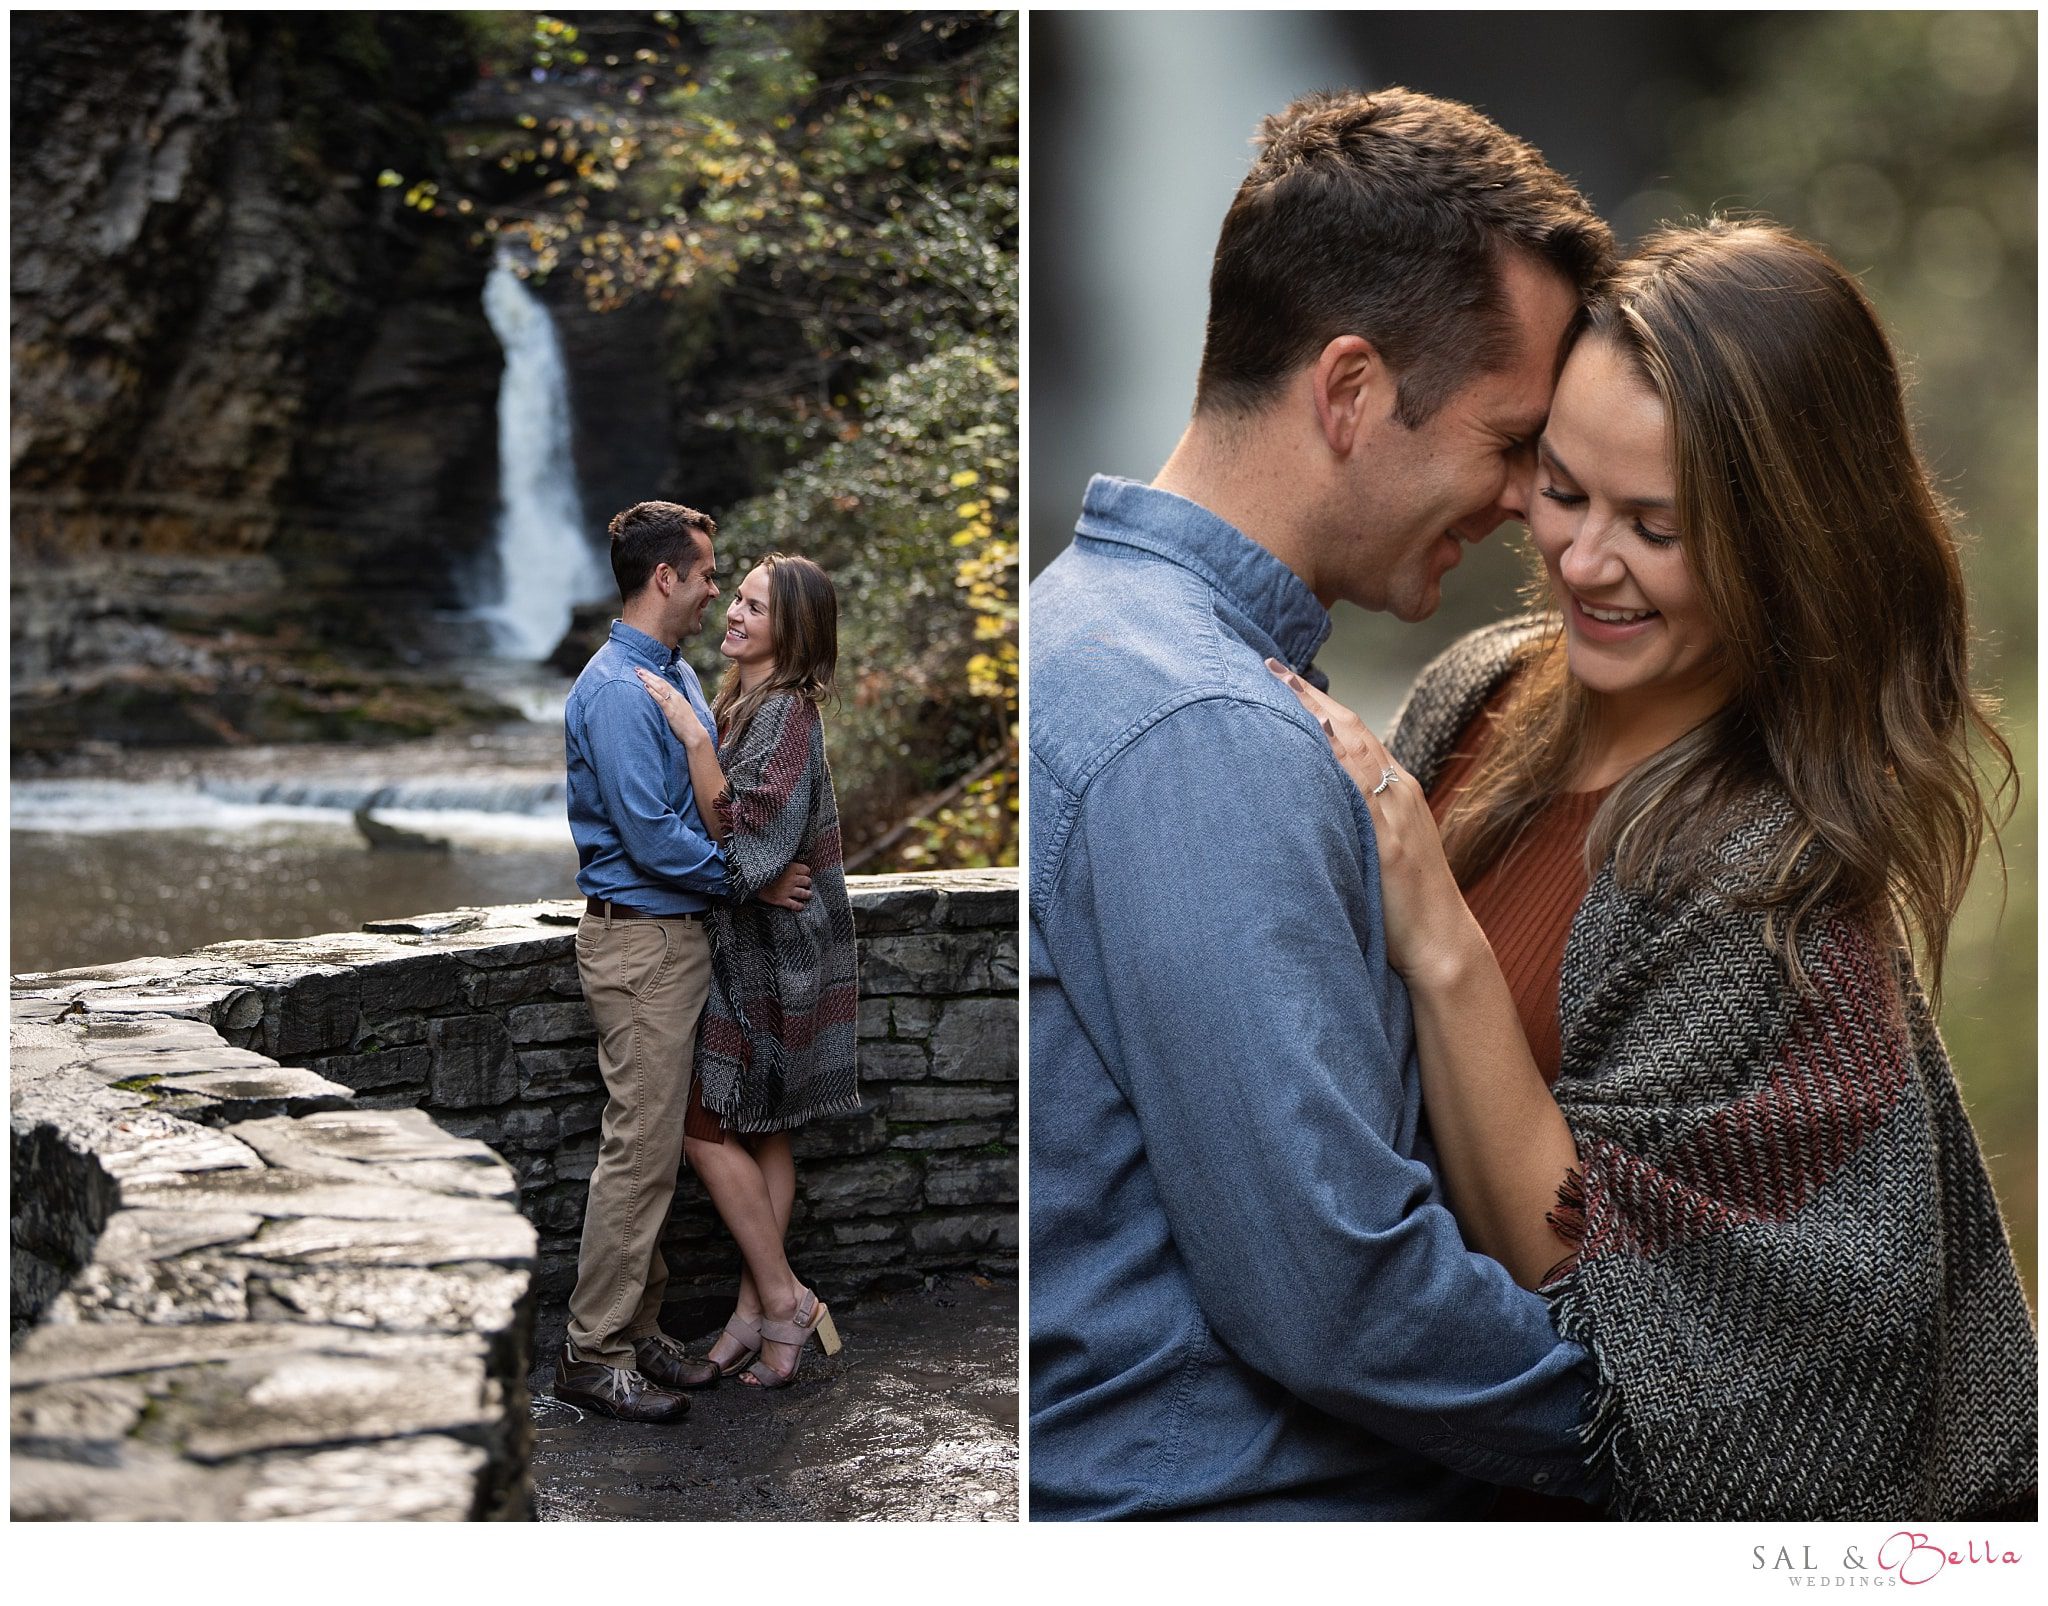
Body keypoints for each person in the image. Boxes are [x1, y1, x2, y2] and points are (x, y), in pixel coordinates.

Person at [1276, 221, 2038, 1519]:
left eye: (1655, 526)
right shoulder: (1480, 688)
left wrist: (1437, 928)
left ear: (1786, 535)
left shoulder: (1773, 872)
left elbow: (1609, 1307)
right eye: (1562, 489)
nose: (1580, 562)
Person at [1029, 87, 1621, 1519]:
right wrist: (1649, 1424)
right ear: (1350, 391)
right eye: (1507, 441)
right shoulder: (1206, 730)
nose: (1526, 504)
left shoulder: (1095, 628)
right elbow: (1339, 1293)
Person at [555, 500, 813, 1423]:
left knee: (658, 1147)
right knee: (639, 1152)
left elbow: (712, 811)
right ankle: (593, 1353)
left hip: (677, 939)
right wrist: (746, 880)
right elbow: (658, 839)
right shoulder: (621, 691)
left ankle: (636, 1329)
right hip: (641, 943)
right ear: (664, 577)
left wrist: (733, 864)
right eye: (706, 574)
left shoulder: (676, 676)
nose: (714, 589)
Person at [637, 553, 858, 1389]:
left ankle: (783, 1297)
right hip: (752, 939)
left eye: (755, 607)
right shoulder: (745, 700)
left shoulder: (787, 713)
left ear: (789, 630)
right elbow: (749, 853)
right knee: (763, 1130)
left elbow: (744, 836)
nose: (732, 612)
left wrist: (695, 740)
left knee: (706, 1129)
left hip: (779, 956)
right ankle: (754, 1319)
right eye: (736, 597)